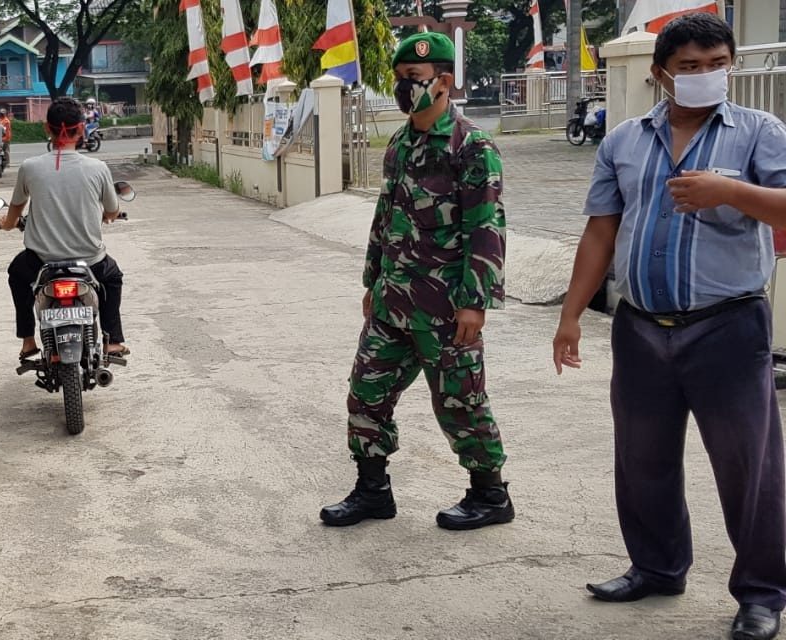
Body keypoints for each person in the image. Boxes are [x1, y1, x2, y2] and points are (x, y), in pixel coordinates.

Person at [554, 14, 786, 640]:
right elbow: (602, 228)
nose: (707, 76)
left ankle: (763, 593)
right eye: (690, 67)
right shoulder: (623, 141)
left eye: (718, 64)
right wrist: (572, 314)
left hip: (728, 326)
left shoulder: (760, 132)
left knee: (749, 467)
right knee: (642, 458)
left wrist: (730, 192)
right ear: (660, 75)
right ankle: (656, 567)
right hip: (640, 328)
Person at [319, 32, 512, 532]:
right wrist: (372, 280)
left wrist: (475, 303)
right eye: (401, 80)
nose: (405, 89)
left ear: (444, 81)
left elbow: (485, 228)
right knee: (366, 393)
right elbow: (386, 219)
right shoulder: (401, 143)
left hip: (445, 304)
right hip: (392, 300)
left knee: (460, 400)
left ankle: (490, 494)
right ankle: (372, 491)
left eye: (414, 80)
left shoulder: (471, 146)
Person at [0, 97, 128, 359]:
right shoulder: (98, 168)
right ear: (81, 129)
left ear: (47, 128)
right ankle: (113, 342)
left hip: (41, 262)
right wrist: (107, 216)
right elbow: (111, 211)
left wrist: (5, 224)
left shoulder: (30, 167)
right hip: (90, 261)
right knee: (112, 278)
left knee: (17, 274)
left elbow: (14, 214)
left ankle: (28, 341)